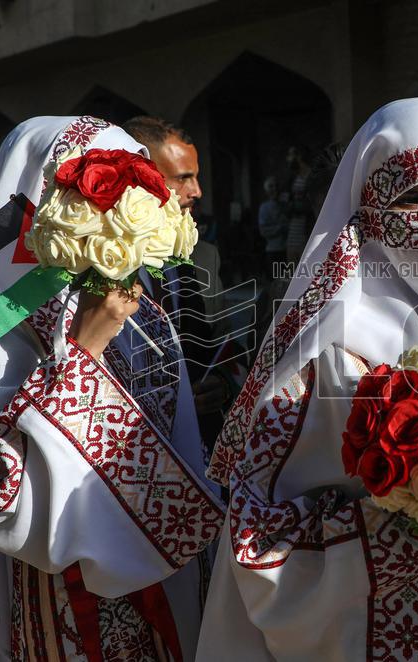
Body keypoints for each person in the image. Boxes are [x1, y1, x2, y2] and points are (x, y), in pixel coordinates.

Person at [198, 98, 418, 661]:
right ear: (367, 210)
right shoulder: (330, 354)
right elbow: (257, 529)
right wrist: (415, 507)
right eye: (411, 199)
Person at [0, 116, 223, 661]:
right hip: (66, 583)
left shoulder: (141, 305)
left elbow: (178, 436)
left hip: (167, 572)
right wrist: (82, 353)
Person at [123, 115, 242, 460]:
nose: (197, 191)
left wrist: (221, 385)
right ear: (141, 176)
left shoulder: (204, 256)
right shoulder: (95, 262)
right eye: (183, 178)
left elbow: (224, 345)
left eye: (197, 176)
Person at [257, 176, 286, 273]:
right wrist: (280, 228)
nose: (274, 189)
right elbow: (263, 231)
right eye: (271, 186)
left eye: (276, 186)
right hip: (273, 249)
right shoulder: (264, 208)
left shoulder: (285, 205)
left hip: (287, 248)